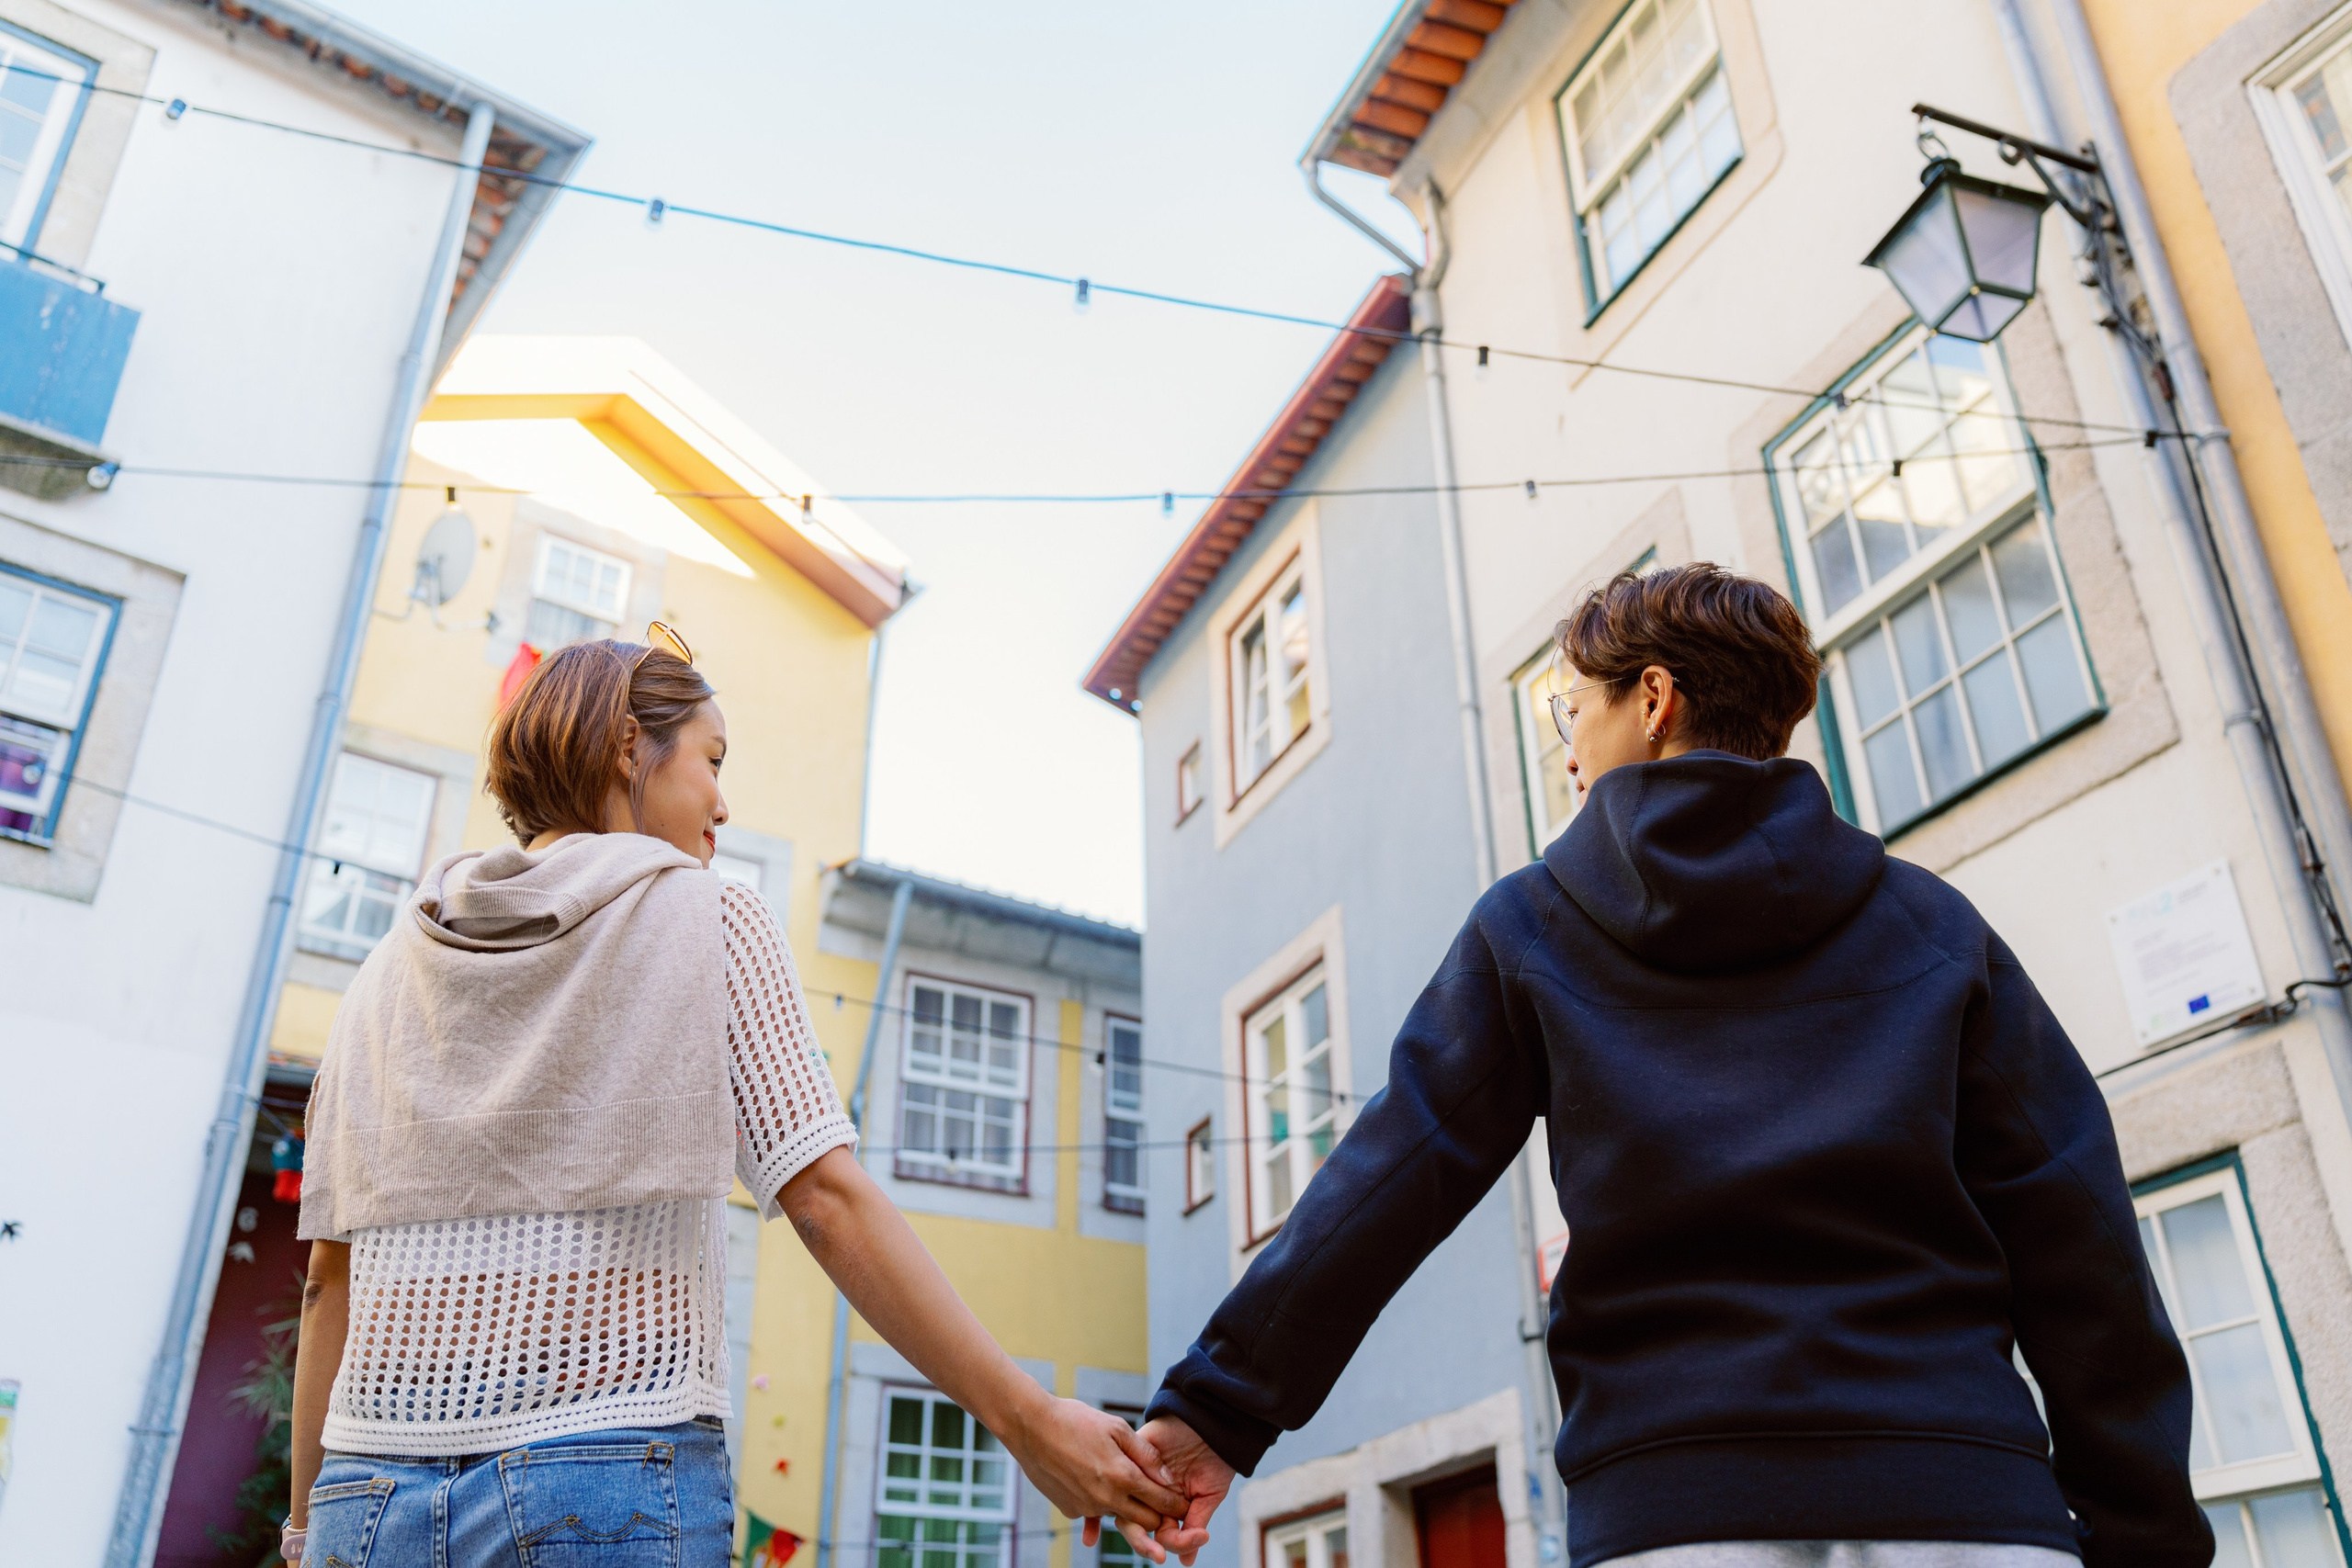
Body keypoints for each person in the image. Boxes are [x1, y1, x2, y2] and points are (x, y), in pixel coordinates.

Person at [1133, 566, 2208, 1568]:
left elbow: (1389, 1176)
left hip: (1675, 1515)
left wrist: (1220, 1410)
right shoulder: (1930, 925)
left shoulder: (1532, 927)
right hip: (1966, 1500)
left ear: (1652, 701)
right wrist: (2143, 1533)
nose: (1566, 752)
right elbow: (2078, 1231)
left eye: (1572, 712)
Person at [284, 627, 1181, 1567]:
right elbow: (823, 1200)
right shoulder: (708, 916)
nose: (722, 799)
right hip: (606, 1477)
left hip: (367, 1493)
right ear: (631, 746)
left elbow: (326, 1282)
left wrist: (307, 1529)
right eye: (710, 759)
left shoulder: (383, 975)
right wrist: (1028, 1419)